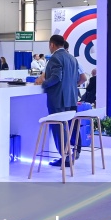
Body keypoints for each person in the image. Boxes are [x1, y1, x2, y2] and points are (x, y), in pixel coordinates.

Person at [35, 34, 79, 167]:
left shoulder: (55, 57)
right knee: (65, 128)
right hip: (71, 98)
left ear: (52, 44)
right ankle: (68, 155)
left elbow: (56, 78)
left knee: (58, 128)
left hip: (58, 99)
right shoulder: (72, 58)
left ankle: (66, 157)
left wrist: (43, 83)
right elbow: (76, 78)